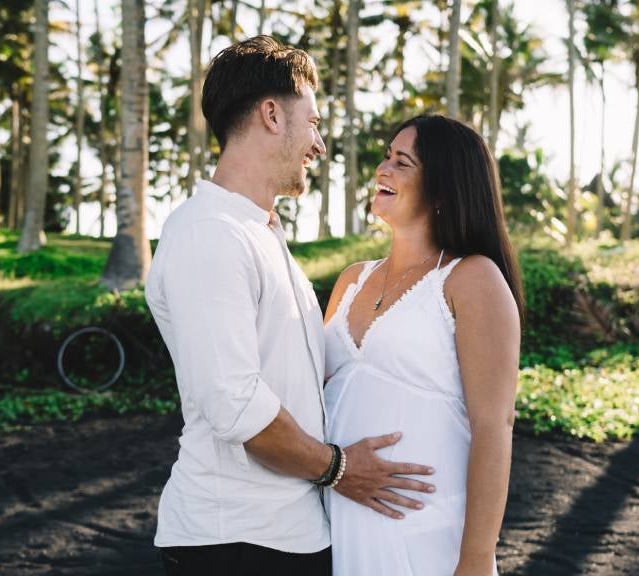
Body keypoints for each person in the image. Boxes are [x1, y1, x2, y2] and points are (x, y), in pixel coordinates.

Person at [144, 37, 435, 576]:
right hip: (234, 541)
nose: (319, 144)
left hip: (288, 534)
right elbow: (236, 405)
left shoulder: (260, 235)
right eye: (313, 121)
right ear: (272, 114)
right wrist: (343, 469)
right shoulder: (208, 233)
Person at [323, 115, 524, 576]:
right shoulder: (352, 279)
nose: (382, 170)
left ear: (442, 189)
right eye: (385, 157)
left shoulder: (471, 278)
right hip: (338, 525)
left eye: (402, 162)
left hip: (427, 536)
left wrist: (474, 561)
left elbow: (495, 426)